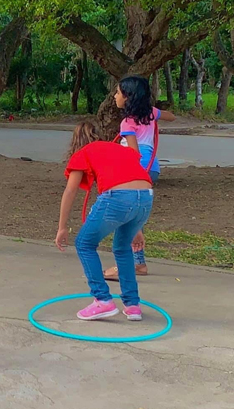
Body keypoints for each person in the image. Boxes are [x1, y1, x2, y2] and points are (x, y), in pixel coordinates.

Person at [55, 121, 153, 321]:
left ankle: (102, 300)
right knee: (123, 247)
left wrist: (62, 227)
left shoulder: (84, 151)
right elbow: (134, 183)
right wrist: (137, 228)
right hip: (146, 196)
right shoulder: (118, 149)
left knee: (84, 243)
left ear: (77, 141)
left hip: (118, 196)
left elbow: (70, 190)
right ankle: (133, 304)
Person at [103, 75, 176, 281]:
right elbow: (171, 117)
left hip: (136, 168)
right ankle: (139, 263)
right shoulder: (151, 113)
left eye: (118, 92)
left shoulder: (127, 122)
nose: (115, 96)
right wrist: (158, 114)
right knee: (135, 215)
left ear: (128, 97)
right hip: (151, 168)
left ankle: (126, 266)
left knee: (124, 216)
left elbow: (133, 152)